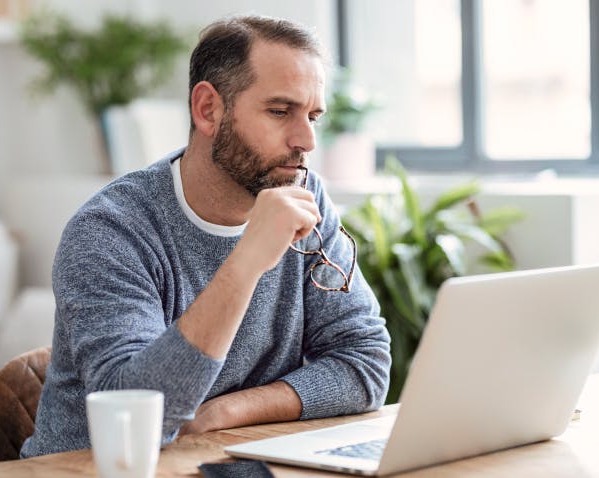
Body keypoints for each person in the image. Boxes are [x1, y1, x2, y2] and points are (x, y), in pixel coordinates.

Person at [21, 14, 391, 458]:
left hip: (227, 459)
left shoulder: (304, 196)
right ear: (208, 109)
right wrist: (246, 263)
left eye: (313, 116)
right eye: (280, 111)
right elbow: (135, 413)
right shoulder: (110, 231)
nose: (307, 139)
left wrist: (224, 413)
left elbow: (364, 363)